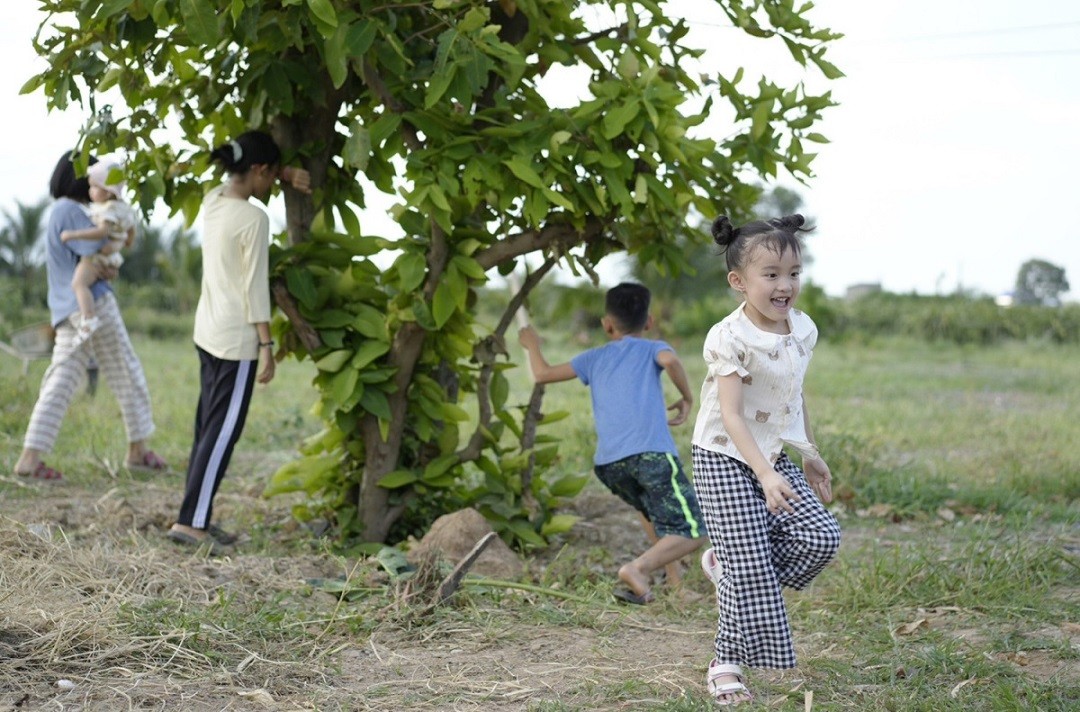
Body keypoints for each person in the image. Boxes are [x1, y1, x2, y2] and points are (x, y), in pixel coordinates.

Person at [691, 214, 841, 706]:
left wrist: (810, 455)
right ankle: (724, 664)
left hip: (771, 454)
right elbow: (732, 416)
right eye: (771, 274)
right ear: (739, 282)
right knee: (750, 570)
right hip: (723, 457)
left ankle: (730, 567)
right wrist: (765, 473)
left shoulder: (803, 329)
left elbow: (793, 397)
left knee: (820, 536)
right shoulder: (728, 337)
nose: (785, 285)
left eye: (794, 273)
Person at [518, 282, 706, 604]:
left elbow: (542, 374)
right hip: (651, 456)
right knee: (694, 530)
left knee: (654, 514)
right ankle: (637, 569)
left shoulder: (594, 357)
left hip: (609, 465)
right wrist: (687, 397)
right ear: (649, 322)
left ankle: (674, 586)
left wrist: (532, 345)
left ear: (607, 324)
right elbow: (670, 361)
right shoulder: (653, 348)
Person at [167, 130, 310, 553]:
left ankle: (196, 515)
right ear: (260, 169)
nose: (272, 186)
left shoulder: (213, 200)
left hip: (208, 331)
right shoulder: (254, 219)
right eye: (270, 175)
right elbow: (254, 290)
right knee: (222, 434)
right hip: (237, 341)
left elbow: (245, 175)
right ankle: (190, 524)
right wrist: (267, 347)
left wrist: (281, 172)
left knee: (207, 430)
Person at [13, 151, 167, 482]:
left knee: (61, 380)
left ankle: (30, 457)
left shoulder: (59, 211)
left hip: (66, 308)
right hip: (92, 305)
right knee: (126, 371)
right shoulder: (71, 210)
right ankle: (137, 451)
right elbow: (99, 249)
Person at [59, 158, 137, 346]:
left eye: (94, 187)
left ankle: (88, 318)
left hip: (96, 258)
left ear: (108, 191)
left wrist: (73, 234)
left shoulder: (107, 209)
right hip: (109, 257)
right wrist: (125, 242)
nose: (90, 191)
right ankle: (88, 318)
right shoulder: (123, 208)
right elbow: (131, 229)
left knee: (79, 284)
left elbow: (101, 232)